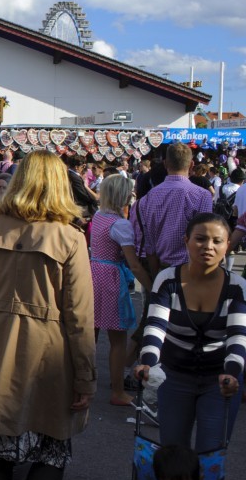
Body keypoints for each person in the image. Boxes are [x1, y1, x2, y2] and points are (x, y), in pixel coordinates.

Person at [0, 150, 96, 480]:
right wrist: (86, 378)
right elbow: (79, 315)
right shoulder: (70, 236)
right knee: (50, 449)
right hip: (48, 354)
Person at [133, 213, 245, 454]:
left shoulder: (237, 286)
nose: (208, 246)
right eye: (200, 239)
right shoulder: (167, 279)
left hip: (220, 379)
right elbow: (155, 327)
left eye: (217, 241)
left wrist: (233, 374)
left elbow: (238, 336)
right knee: (173, 457)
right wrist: (148, 363)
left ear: (228, 245)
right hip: (174, 376)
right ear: (186, 241)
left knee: (211, 457)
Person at [89, 174, 153, 406]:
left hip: (93, 273)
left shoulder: (98, 217)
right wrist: (152, 287)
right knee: (117, 338)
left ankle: (84, 382)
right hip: (111, 278)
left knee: (90, 336)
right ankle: (117, 391)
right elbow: (134, 263)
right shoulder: (121, 225)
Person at [133, 143, 214, 282]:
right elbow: (205, 238)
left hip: (163, 270)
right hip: (193, 271)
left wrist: (155, 278)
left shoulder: (149, 197)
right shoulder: (202, 195)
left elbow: (150, 246)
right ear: (191, 164)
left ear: (165, 164)